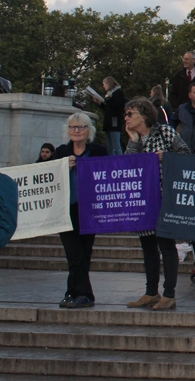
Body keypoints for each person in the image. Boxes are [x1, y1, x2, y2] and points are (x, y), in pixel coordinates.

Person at [124, 97, 192, 311]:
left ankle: (169, 293)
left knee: (166, 245)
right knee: (147, 247)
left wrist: (167, 156)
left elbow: (186, 155)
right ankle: (151, 291)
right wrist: (133, 142)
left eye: (130, 114)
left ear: (144, 115)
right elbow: (128, 165)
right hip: (143, 199)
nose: (126, 118)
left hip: (164, 195)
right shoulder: (134, 139)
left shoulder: (165, 132)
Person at [52, 113, 108, 308]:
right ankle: (84, 293)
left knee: (83, 253)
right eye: (73, 127)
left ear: (89, 130)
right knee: (73, 253)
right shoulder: (60, 152)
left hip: (90, 209)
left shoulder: (99, 151)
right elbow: (47, 176)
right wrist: (62, 167)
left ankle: (73, 292)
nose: (77, 131)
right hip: (66, 209)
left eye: (81, 127)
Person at [95, 77, 126, 156]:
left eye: (104, 84)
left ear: (108, 84)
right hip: (108, 121)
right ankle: (111, 160)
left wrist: (108, 99)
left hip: (114, 121)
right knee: (109, 145)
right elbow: (107, 109)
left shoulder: (118, 93)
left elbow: (117, 107)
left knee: (116, 144)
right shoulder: (109, 95)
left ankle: (120, 160)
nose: (103, 86)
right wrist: (100, 103)